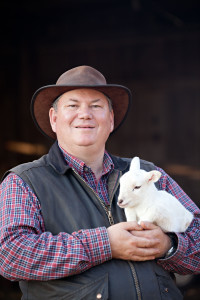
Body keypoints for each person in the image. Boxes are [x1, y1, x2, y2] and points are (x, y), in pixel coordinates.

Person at [0, 65, 199, 300]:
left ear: (111, 119)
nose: (85, 114)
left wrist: (170, 246)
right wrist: (105, 244)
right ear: (54, 119)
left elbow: (196, 230)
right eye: (73, 105)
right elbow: (11, 255)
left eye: (96, 106)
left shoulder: (149, 174)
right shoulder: (23, 181)